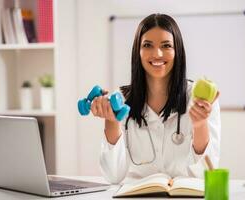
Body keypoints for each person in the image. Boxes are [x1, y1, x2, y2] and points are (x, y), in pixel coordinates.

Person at [91, 13, 221, 184]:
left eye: (166, 45)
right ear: (138, 51)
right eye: (147, 45)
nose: (157, 53)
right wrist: (111, 122)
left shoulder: (198, 99)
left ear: (178, 51)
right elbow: (113, 176)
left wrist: (200, 125)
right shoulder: (120, 100)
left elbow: (206, 174)